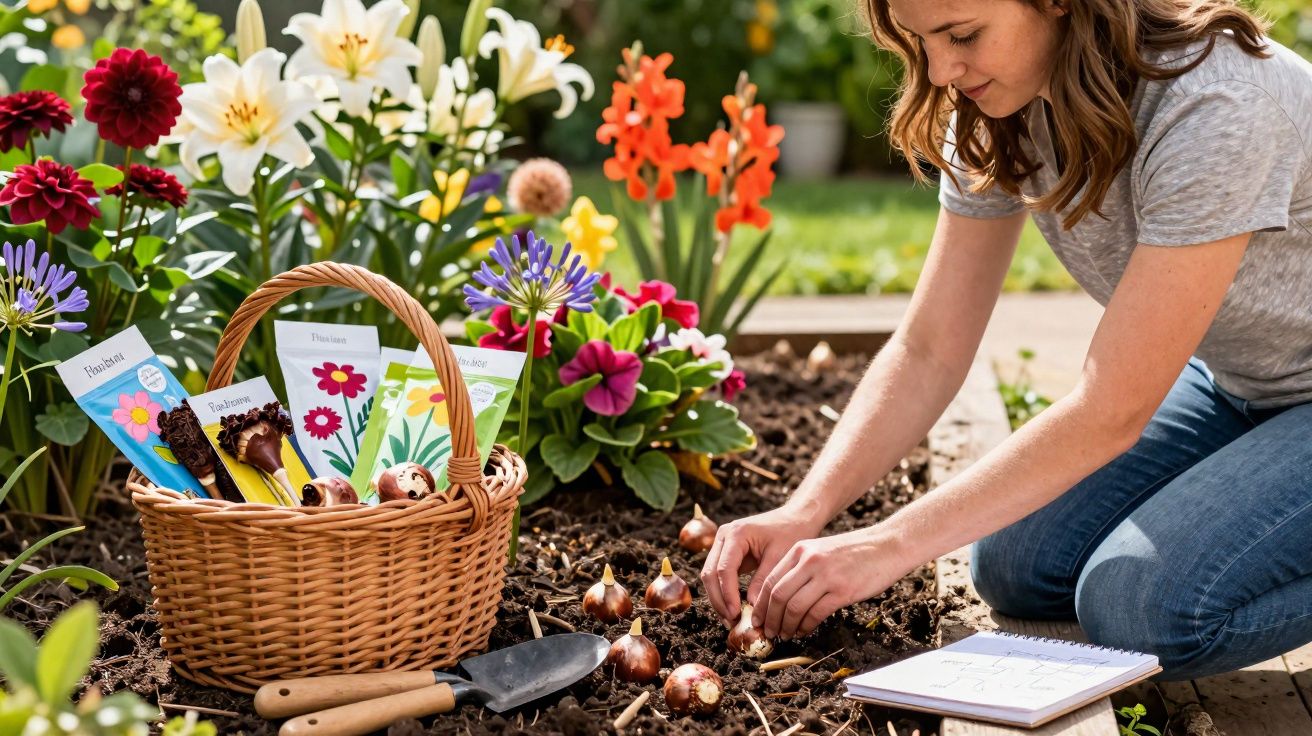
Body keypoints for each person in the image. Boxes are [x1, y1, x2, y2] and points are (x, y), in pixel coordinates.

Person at [700, 0, 1312, 681]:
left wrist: (884, 546)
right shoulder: (998, 105)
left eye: (963, 35)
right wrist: (804, 511)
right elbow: (930, 346)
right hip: (1244, 380)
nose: (940, 69)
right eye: (921, 40)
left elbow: (1112, 407)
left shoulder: (1214, 104)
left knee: (1143, 608)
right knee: (1016, 564)